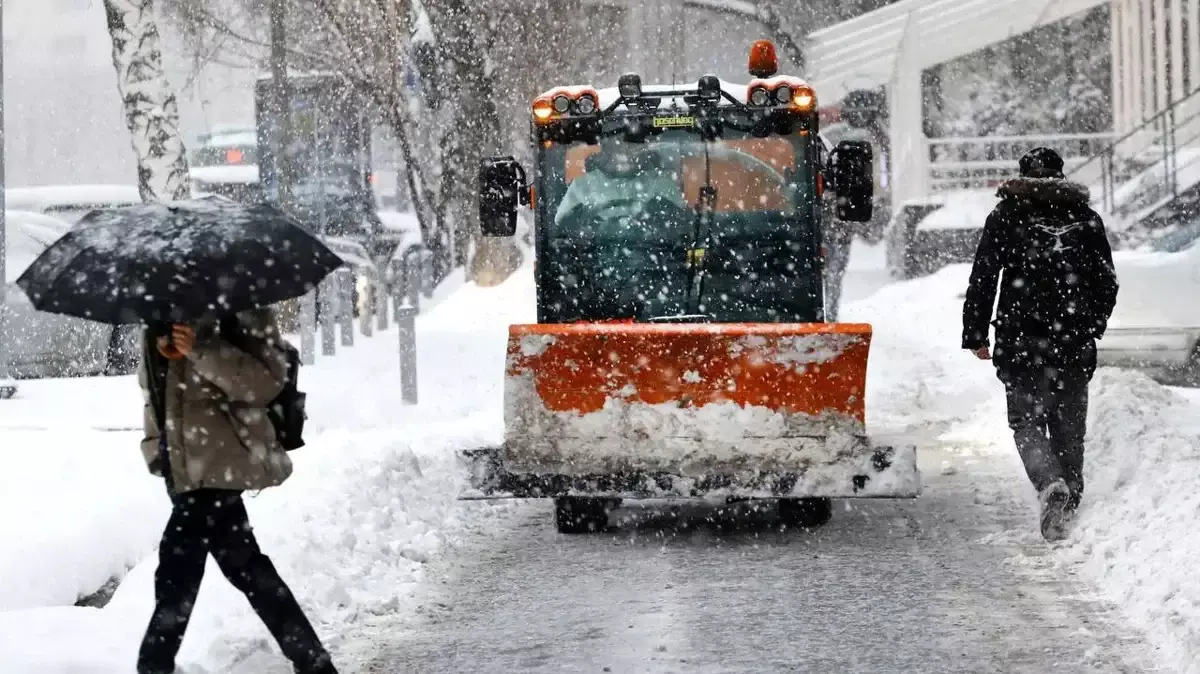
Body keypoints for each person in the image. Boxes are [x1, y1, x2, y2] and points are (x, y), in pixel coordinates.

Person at [136, 309, 337, 674]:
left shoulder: (239, 306)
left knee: (176, 569)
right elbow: (153, 394)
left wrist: (201, 349)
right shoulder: (158, 313)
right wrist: (155, 448)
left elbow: (266, 381)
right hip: (182, 472)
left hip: (221, 463)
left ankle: (153, 667)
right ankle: (314, 663)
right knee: (246, 567)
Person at [962, 147, 1119, 541]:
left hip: (1020, 340)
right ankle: (1071, 495)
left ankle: (1051, 485)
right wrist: (1090, 325)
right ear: (1061, 176)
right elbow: (1107, 282)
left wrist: (976, 334)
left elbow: (984, 277)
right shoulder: (1085, 219)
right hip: (1072, 341)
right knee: (1068, 424)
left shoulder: (1005, 217)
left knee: (1026, 421)